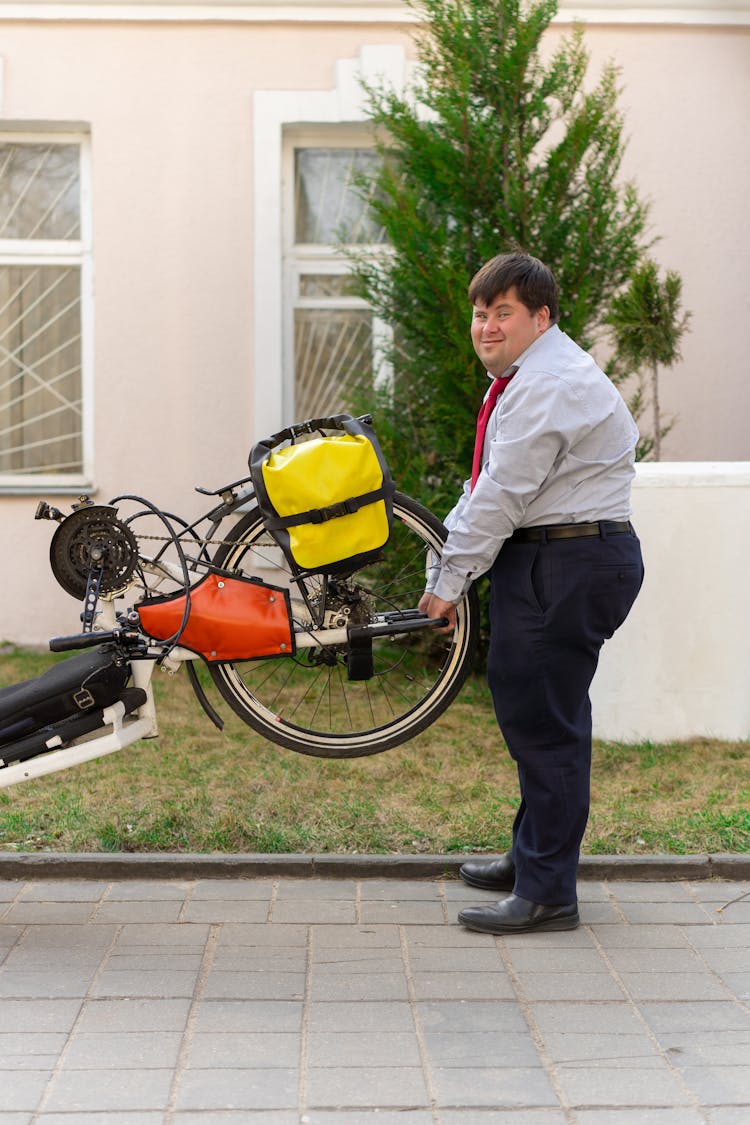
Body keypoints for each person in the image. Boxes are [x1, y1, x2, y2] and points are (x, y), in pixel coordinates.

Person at [419, 252, 644, 935]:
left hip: (568, 561)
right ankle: (531, 858)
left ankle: (548, 891)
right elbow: (489, 486)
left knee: (547, 726)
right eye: (480, 313)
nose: (486, 326)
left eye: (503, 313)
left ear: (541, 317)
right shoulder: (536, 375)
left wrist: (448, 581)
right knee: (534, 713)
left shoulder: (548, 385)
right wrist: (448, 566)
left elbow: (503, 494)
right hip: (557, 556)